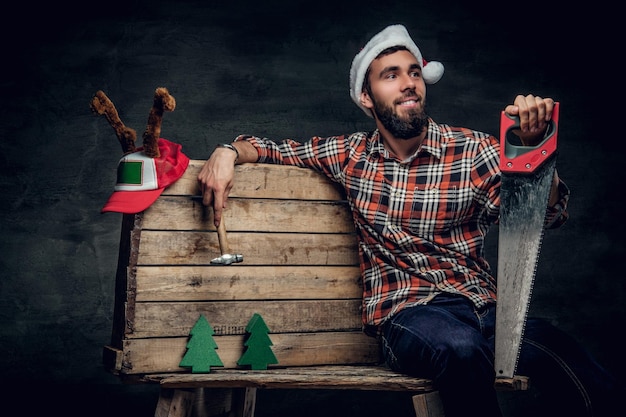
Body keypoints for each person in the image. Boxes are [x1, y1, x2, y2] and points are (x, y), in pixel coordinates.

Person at [197, 24, 620, 417]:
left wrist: (533, 152)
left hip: (486, 309)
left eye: (414, 72)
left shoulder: (472, 150)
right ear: (367, 97)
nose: (408, 83)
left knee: (563, 353)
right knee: (458, 348)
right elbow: (270, 148)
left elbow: (545, 215)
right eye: (391, 75)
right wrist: (226, 153)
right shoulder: (350, 155)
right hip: (411, 315)